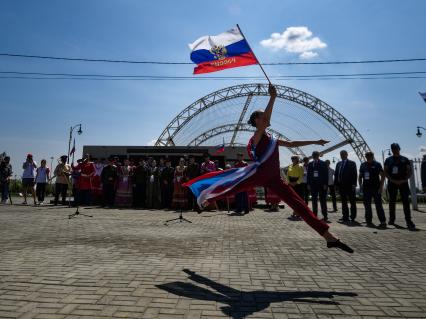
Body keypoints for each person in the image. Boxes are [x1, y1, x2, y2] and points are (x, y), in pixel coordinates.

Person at [184, 84, 353, 253]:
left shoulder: (272, 139)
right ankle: (204, 201)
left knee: (299, 205)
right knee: (232, 188)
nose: (265, 117)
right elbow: (264, 124)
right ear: (256, 121)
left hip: (274, 178)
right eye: (261, 116)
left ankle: (328, 237)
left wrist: (315, 142)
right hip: (259, 173)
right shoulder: (256, 136)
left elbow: (292, 144)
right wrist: (273, 98)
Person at [384, 143, 416, 230]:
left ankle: (408, 221)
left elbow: (410, 171)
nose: (395, 150)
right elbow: (385, 171)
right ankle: (391, 220)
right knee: (392, 202)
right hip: (392, 183)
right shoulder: (388, 160)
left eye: (396, 148)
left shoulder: (405, 159)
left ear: (399, 149)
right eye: (393, 149)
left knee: (406, 202)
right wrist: (391, 179)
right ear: (391, 150)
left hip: (403, 182)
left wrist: (404, 180)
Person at [359, 152, 386, 228]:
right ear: (365, 156)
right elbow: (360, 176)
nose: (368, 157)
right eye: (367, 156)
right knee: (367, 206)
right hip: (366, 189)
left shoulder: (377, 164)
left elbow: (382, 175)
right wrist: (360, 185)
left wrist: (381, 187)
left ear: (373, 156)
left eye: (370, 156)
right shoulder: (363, 165)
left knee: (379, 206)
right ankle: (368, 221)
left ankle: (383, 221)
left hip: (376, 188)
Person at [335, 150, 358, 223]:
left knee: (352, 202)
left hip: (350, 186)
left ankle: (353, 217)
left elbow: (355, 174)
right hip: (341, 186)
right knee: (344, 202)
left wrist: (354, 184)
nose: (342, 155)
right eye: (341, 154)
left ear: (347, 155)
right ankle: (345, 216)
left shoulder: (352, 163)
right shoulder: (338, 164)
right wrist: (336, 185)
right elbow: (336, 175)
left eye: (344, 154)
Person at [307, 151, 329, 222]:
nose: (314, 156)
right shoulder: (310, 164)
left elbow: (326, 174)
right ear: (312, 156)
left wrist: (326, 184)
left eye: (316, 155)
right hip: (313, 185)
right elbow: (308, 175)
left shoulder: (323, 163)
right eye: (313, 155)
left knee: (323, 201)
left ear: (318, 155)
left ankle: (325, 216)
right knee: (314, 201)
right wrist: (308, 184)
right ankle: (314, 215)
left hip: (322, 185)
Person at [287, 156, 304, 220]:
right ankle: (295, 213)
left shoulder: (300, 166)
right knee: (293, 200)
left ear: (297, 159)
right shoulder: (290, 166)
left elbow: (301, 176)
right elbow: (287, 175)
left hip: (298, 185)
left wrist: (296, 182)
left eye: (294, 158)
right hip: (291, 184)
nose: (292, 160)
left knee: (298, 200)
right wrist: (289, 182)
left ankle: (299, 214)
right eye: (292, 158)